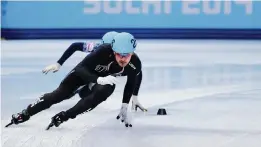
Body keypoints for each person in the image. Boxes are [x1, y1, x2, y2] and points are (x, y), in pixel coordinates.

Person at [6, 32, 143, 129]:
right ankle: (25, 113)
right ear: (112, 49)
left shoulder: (134, 63)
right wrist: (59, 63)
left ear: (132, 53)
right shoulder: (99, 50)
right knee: (60, 94)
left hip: (102, 80)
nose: (122, 59)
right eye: (119, 54)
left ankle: (64, 116)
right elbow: (80, 68)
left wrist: (129, 101)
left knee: (99, 94)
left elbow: (134, 77)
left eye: (127, 55)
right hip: (86, 73)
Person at [42, 31, 147, 112]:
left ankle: (83, 90)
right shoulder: (99, 49)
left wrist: (134, 97)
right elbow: (75, 46)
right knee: (72, 92)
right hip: (95, 72)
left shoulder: (124, 56)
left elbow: (137, 72)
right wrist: (58, 63)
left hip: (102, 75)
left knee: (86, 94)